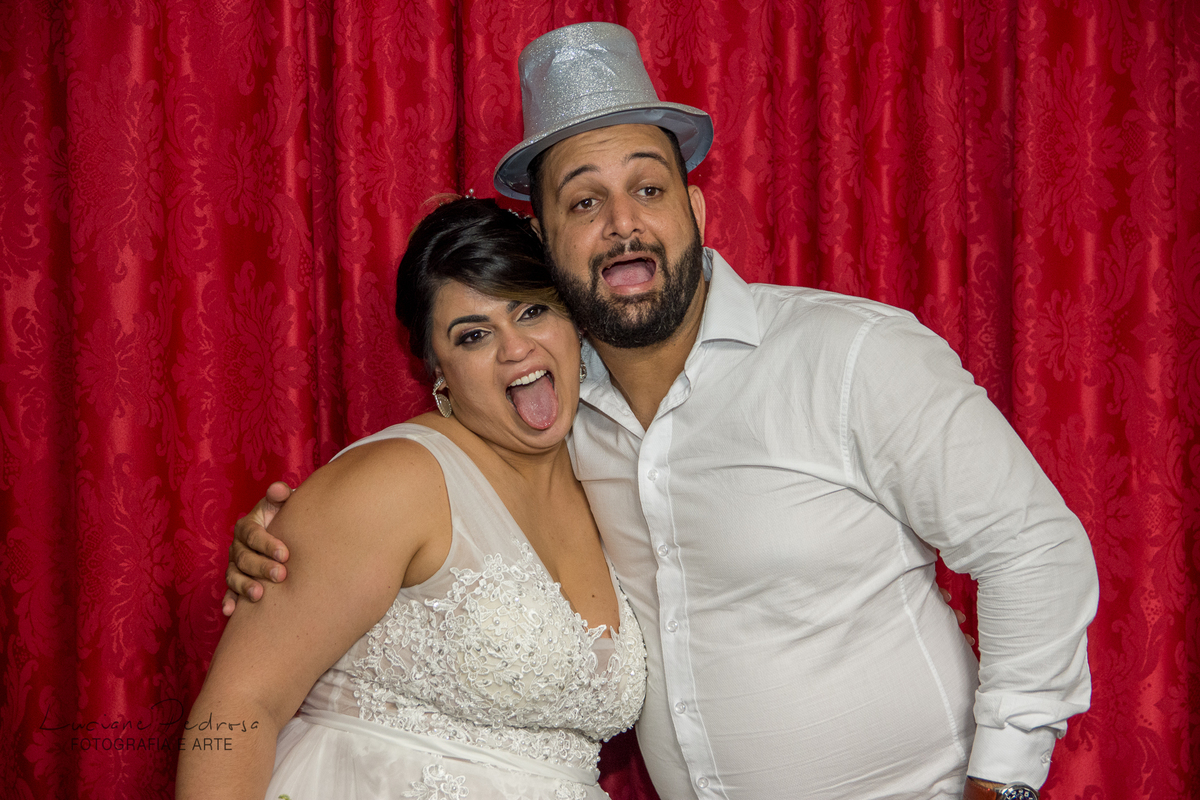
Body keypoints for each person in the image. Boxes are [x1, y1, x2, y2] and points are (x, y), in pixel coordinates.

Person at [225, 22, 1099, 800]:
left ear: (697, 210)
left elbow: (1034, 547)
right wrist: (288, 542)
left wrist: (1004, 784)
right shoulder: (555, 417)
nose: (621, 222)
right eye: (584, 201)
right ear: (547, 245)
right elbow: (427, 518)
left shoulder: (851, 355)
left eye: (648, 189)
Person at [177, 198, 647, 800]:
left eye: (531, 311)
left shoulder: (613, 479)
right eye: (473, 335)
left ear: (574, 322)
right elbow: (237, 707)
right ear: (437, 370)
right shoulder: (396, 480)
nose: (515, 348)